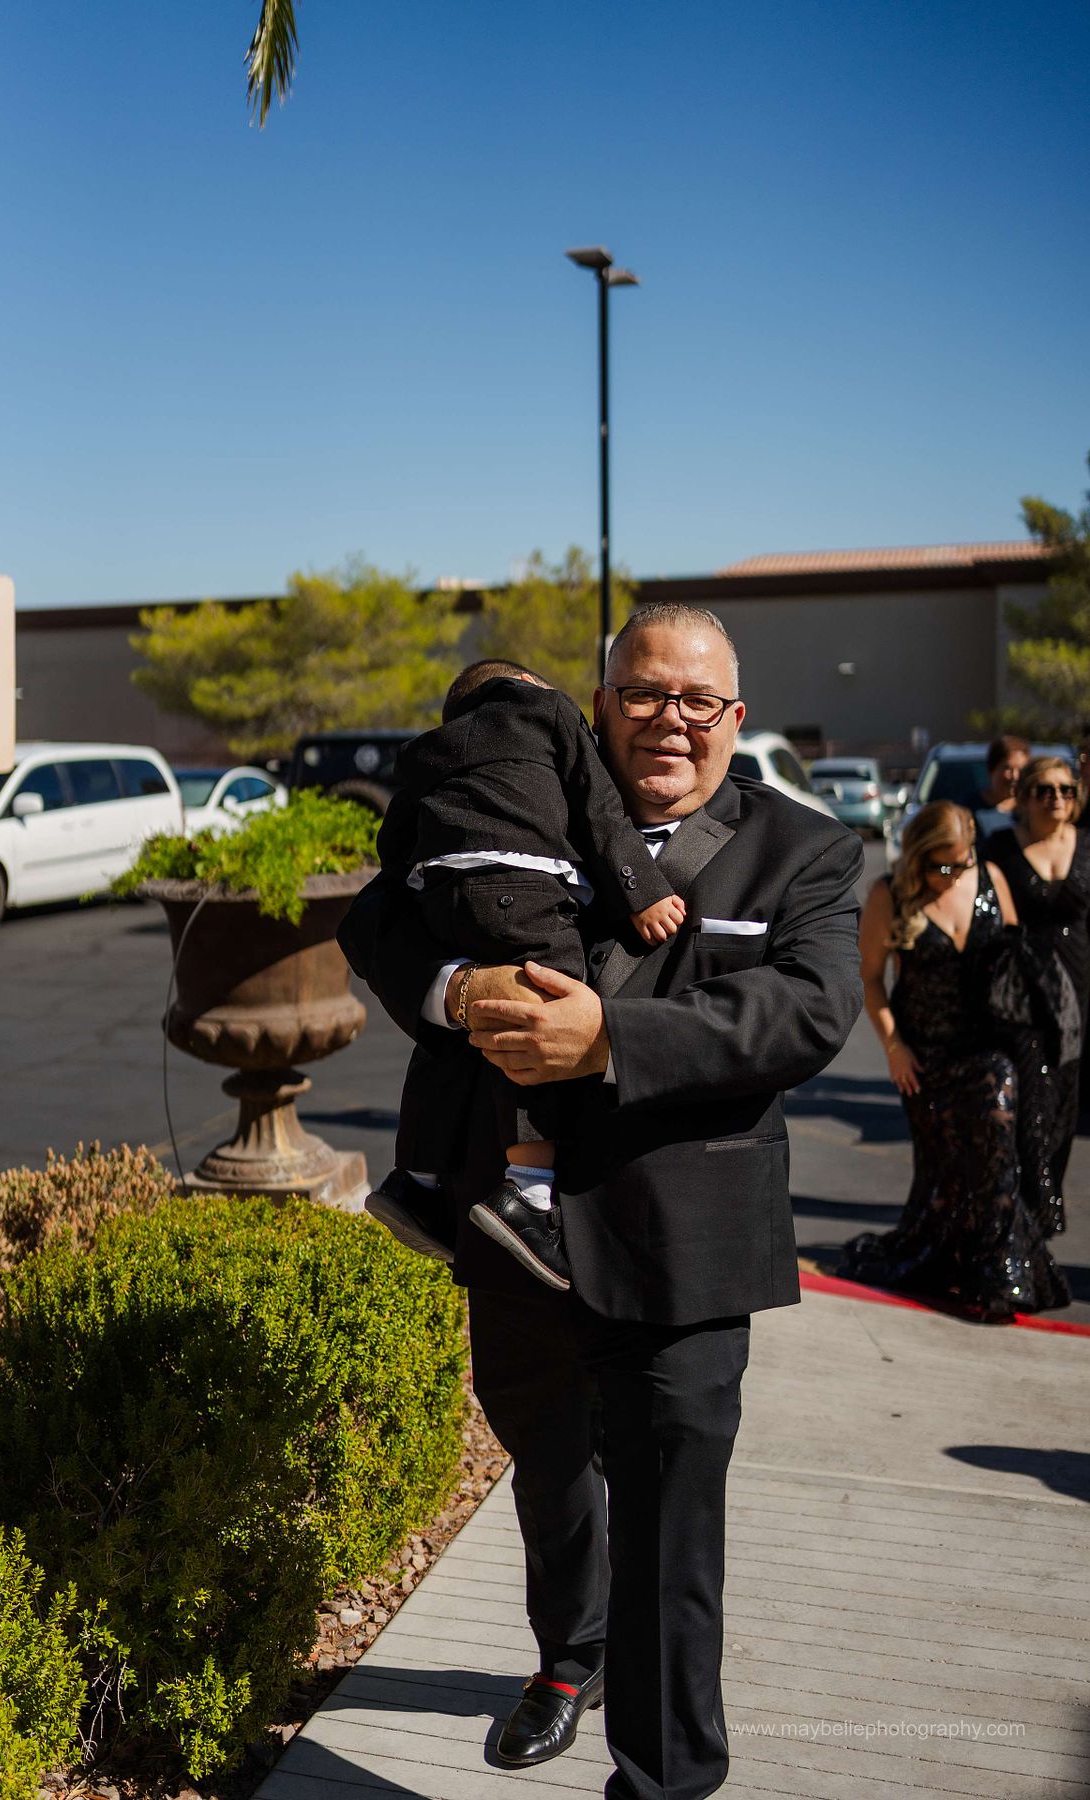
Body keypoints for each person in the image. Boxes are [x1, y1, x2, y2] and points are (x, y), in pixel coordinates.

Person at [339, 602, 864, 1800]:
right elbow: (378, 915)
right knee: (554, 1470)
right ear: (599, 702)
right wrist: (456, 987)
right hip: (511, 1233)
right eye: (642, 694)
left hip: (684, 1248)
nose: (668, 722)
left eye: (696, 702)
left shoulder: (808, 850)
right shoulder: (517, 792)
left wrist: (608, 1039)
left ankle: (667, 1776)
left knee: (674, 1524)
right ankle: (567, 1662)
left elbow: (807, 1012)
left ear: (736, 718)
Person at [366, 657, 686, 1290]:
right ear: (534, 690)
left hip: (439, 891)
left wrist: (422, 881)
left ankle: (417, 1180)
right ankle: (530, 1190)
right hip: (525, 886)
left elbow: (394, 835)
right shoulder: (550, 714)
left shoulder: (432, 748)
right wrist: (641, 891)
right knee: (545, 1011)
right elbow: (599, 812)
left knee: (454, 1038)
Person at [839, 800, 1070, 1320]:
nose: (951, 875)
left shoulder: (988, 878)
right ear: (918, 856)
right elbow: (870, 978)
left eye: (959, 864)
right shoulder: (891, 894)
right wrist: (893, 1047)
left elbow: (1017, 958)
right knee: (944, 1177)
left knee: (997, 1125)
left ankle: (1000, 1271)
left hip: (988, 1045)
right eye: (940, 865)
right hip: (925, 1056)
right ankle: (957, 1260)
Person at [984, 755, 1090, 1233]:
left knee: (1066, 1102)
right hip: (1023, 991)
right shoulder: (1002, 847)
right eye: (1045, 790)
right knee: (1030, 1102)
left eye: (1066, 790)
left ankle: (1041, 1204)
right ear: (1024, 797)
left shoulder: (1087, 844)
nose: (1057, 799)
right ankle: (1038, 1213)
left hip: (1080, 990)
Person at [973, 733, 1029, 847]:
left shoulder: (1030, 809)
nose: (1015, 776)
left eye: (1021, 770)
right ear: (992, 769)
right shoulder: (970, 809)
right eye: (1008, 769)